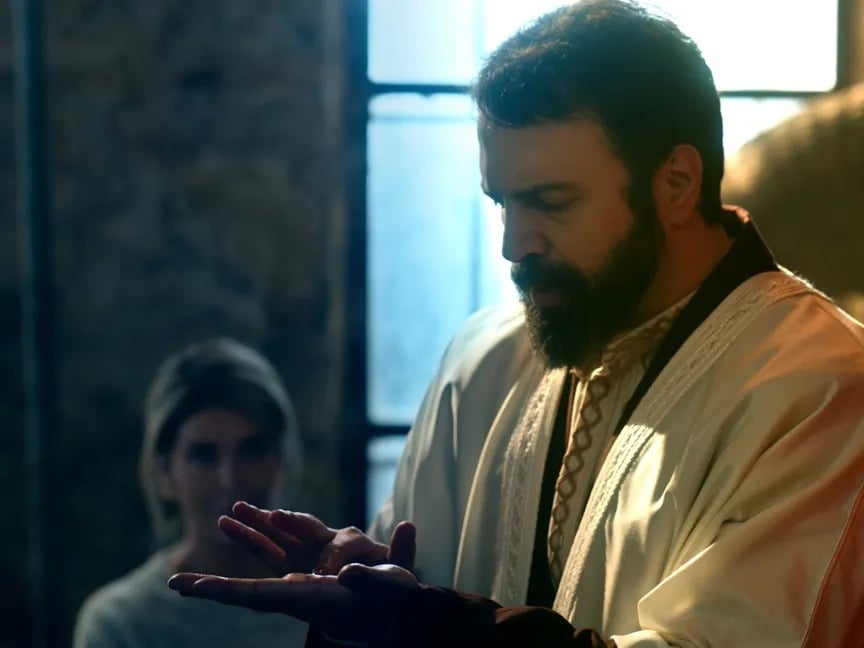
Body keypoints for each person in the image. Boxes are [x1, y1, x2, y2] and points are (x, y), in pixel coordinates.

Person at [168, 2, 864, 646]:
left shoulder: (818, 388)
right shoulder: (480, 358)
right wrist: (365, 586)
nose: (513, 244)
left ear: (676, 183)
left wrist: (426, 624)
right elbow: (416, 586)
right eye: (503, 202)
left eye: (552, 203)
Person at [73, 338, 309, 647]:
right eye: (203, 455)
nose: (230, 479)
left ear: (280, 461)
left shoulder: (322, 606)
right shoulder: (122, 621)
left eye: (252, 450)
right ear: (165, 473)